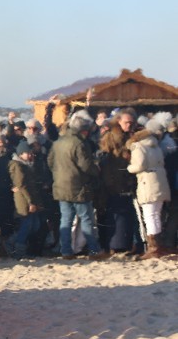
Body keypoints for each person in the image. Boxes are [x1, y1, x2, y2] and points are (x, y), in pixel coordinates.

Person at [47, 110, 107, 260]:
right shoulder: (79, 143)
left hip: (61, 186)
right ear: (84, 130)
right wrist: (97, 169)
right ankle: (94, 250)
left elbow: (50, 161)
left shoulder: (58, 142)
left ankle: (66, 251)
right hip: (79, 187)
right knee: (86, 219)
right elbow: (85, 165)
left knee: (66, 220)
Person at [127, 119, 172, 259]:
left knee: (149, 215)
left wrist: (129, 168)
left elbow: (139, 165)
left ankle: (153, 247)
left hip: (147, 182)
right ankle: (158, 245)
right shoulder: (156, 145)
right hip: (160, 181)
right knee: (156, 214)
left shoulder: (138, 146)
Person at [98, 108, 138, 253]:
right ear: (119, 121)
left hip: (127, 181)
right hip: (113, 182)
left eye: (131, 123)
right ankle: (114, 246)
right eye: (127, 122)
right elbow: (106, 160)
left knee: (126, 216)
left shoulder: (131, 137)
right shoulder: (111, 137)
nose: (129, 125)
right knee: (115, 216)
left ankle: (125, 245)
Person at [7, 140, 43, 258]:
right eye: (28, 153)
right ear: (21, 154)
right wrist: (30, 202)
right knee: (27, 225)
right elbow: (21, 184)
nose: (31, 155)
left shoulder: (26, 165)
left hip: (30, 198)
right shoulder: (18, 165)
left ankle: (13, 243)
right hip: (24, 199)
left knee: (34, 225)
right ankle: (18, 249)